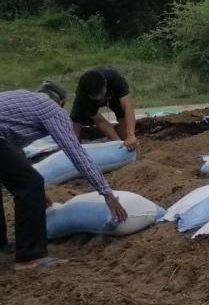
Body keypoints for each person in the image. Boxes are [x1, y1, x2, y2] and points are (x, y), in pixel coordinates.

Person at [1, 86, 128, 267]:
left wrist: (36, 192)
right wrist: (106, 192)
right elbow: (76, 153)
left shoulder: (24, 102)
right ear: (61, 103)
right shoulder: (51, 109)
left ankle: (1, 246)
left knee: (29, 183)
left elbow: (12, 151)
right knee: (31, 184)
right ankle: (31, 256)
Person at [70, 66, 137, 151]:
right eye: (95, 96)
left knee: (124, 130)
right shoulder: (82, 96)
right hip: (88, 102)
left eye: (101, 94)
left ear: (105, 84)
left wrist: (131, 135)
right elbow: (99, 121)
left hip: (114, 96)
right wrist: (117, 142)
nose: (99, 98)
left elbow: (128, 106)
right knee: (74, 131)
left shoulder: (115, 79)